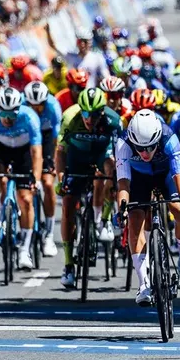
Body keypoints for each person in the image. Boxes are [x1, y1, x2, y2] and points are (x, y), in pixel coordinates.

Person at [115, 109, 180, 302]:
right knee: (134, 222)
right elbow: (124, 183)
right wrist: (122, 209)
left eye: (150, 148)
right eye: (140, 149)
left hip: (165, 175)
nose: (145, 153)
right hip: (139, 179)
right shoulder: (123, 144)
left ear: (157, 138)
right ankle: (143, 285)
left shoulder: (169, 138)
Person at [55, 88, 122, 289]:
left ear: (102, 112)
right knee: (68, 205)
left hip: (102, 155)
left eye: (93, 115)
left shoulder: (114, 120)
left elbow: (120, 154)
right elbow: (60, 152)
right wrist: (60, 179)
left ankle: (104, 219)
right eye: (85, 113)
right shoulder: (70, 118)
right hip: (77, 157)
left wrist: (119, 180)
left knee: (110, 171)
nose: (89, 119)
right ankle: (68, 264)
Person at [0, 87, 43, 272]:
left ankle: (25, 250)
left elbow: (36, 151)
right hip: (0, 147)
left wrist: (36, 178)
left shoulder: (30, 117)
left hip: (23, 151)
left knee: (25, 199)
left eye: (12, 114)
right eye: (4, 114)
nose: (7, 119)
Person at [24, 80, 62, 256]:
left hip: (47, 139)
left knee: (48, 183)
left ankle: (48, 233)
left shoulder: (53, 107)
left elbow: (55, 140)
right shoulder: (22, 107)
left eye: (40, 105)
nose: (37, 109)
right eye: (33, 105)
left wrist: (53, 164)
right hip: (28, 138)